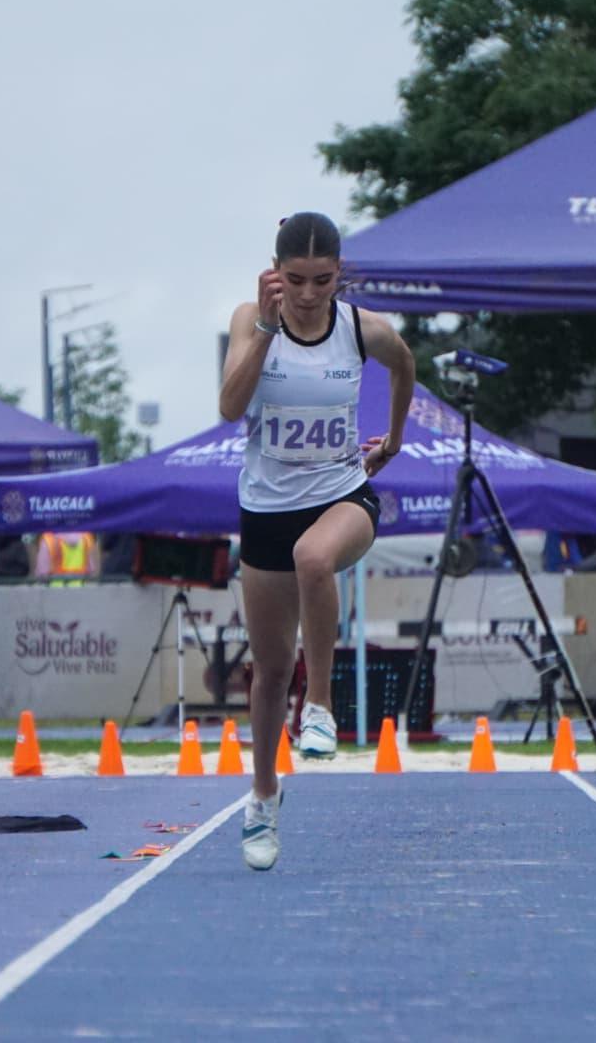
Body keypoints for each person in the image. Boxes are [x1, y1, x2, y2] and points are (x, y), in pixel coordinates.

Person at [219, 212, 414, 870]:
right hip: (266, 509)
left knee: (314, 556)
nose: (307, 294)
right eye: (296, 280)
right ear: (275, 272)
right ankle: (263, 797)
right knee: (271, 669)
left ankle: (322, 706)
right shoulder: (250, 320)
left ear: (340, 275)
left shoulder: (361, 329)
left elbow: (404, 365)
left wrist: (393, 441)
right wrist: (266, 329)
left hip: (342, 496)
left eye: (322, 280)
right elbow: (229, 405)